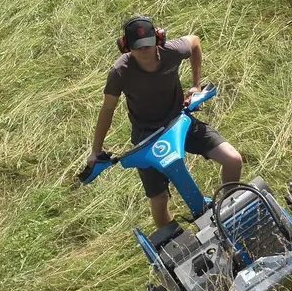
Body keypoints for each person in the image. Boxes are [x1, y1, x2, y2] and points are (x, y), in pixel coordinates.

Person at [84, 15, 244, 227]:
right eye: (137, 47)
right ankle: (173, 242)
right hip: (147, 138)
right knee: (159, 199)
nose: (144, 50)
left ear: (158, 38)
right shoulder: (120, 71)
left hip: (180, 121)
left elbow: (195, 42)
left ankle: (231, 213)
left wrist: (196, 84)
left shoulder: (172, 51)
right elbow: (107, 110)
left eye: (148, 44)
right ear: (125, 46)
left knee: (233, 159)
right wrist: (96, 152)